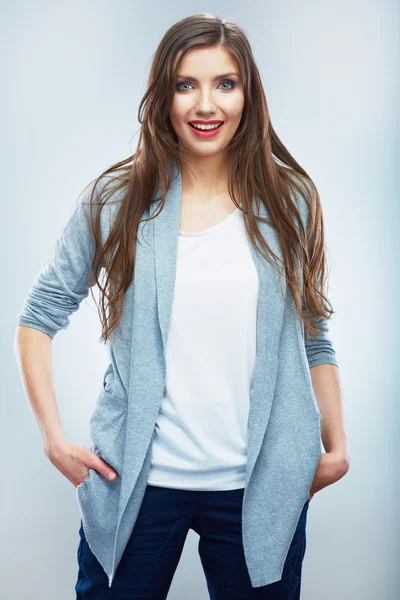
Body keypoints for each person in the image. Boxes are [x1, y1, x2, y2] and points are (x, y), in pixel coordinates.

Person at [14, 13, 351, 599]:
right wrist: (52, 438)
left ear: (248, 94)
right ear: (163, 96)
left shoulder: (290, 200)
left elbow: (312, 332)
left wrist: (337, 444)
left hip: (261, 482)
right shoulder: (116, 200)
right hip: (137, 483)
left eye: (225, 83)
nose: (206, 104)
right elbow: (38, 316)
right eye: (185, 83)